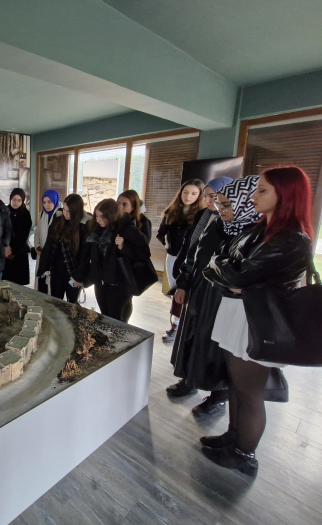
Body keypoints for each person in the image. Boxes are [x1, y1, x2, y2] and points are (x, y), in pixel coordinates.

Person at [201, 167, 313, 475]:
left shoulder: (291, 239)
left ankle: (244, 454)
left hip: (257, 320)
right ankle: (234, 436)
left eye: (262, 190)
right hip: (239, 312)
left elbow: (237, 274)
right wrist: (226, 268)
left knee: (250, 392)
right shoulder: (259, 229)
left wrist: (226, 269)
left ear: (286, 194)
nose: (253, 196)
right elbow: (220, 263)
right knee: (236, 385)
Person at [165, 176, 236, 413]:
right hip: (199, 289)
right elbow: (192, 253)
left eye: (214, 197)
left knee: (215, 344)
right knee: (192, 336)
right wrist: (183, 284)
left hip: (221, 295)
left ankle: (218, 396)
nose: (209, 201)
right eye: (207, 196)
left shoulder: (239, 225)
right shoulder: (206, 218)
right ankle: (189, 379)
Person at [76, 199, 150, 322]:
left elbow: (144, 254)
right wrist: (80, 276)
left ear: (112, 216)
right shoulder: (95, 230)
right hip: (100, 282)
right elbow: (86, 255)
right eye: (97, 216)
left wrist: (123, 247)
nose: (98, 220)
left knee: (116, 317)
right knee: (105, 315)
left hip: (119, 284)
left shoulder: (127, 230)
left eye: (102, 217)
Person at [156, 179, 205, 341]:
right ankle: (176, 325)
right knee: (175, 292)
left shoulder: (202, 215)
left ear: (199, 195)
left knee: (186, 293)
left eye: (193, 193)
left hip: (190, 260)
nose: (188, 196)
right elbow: (161, 233)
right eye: (185, 192)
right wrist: (168, 244)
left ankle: (183, 326)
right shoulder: (171, 211)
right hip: (172, 257)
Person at [36, 194, 90, 302]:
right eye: (64, 210)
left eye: (69, 211)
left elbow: (85, 255)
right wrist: (44, 267)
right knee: (56, 302)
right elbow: (49, 245)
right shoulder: (58, 221)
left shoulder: (83, 226)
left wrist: (78, 276)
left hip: (73, 274)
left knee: (72, 304)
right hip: (57, 272)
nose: (65, 213)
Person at [2, 187, 32, 286]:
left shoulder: (25, 214)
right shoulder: (4, 212)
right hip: (6, 251)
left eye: (19, 200)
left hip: (19, 252)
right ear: (10, 199)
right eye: (14, 199)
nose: (16, 203)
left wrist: (13, 248)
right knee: (6, 282)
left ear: (22, 201)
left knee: (18, 284)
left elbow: (24, 234)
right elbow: (0, 230)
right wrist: (6, 246)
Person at [33, 190, 62, 290]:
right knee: (42, 282)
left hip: (54, 255)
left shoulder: (60, 215)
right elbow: (37, 233)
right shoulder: (42, 214)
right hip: (42, 254)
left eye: (49, 202)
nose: (47, 205)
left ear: (55, 201)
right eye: (44, 202)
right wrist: (37, 246)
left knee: (52, 284)